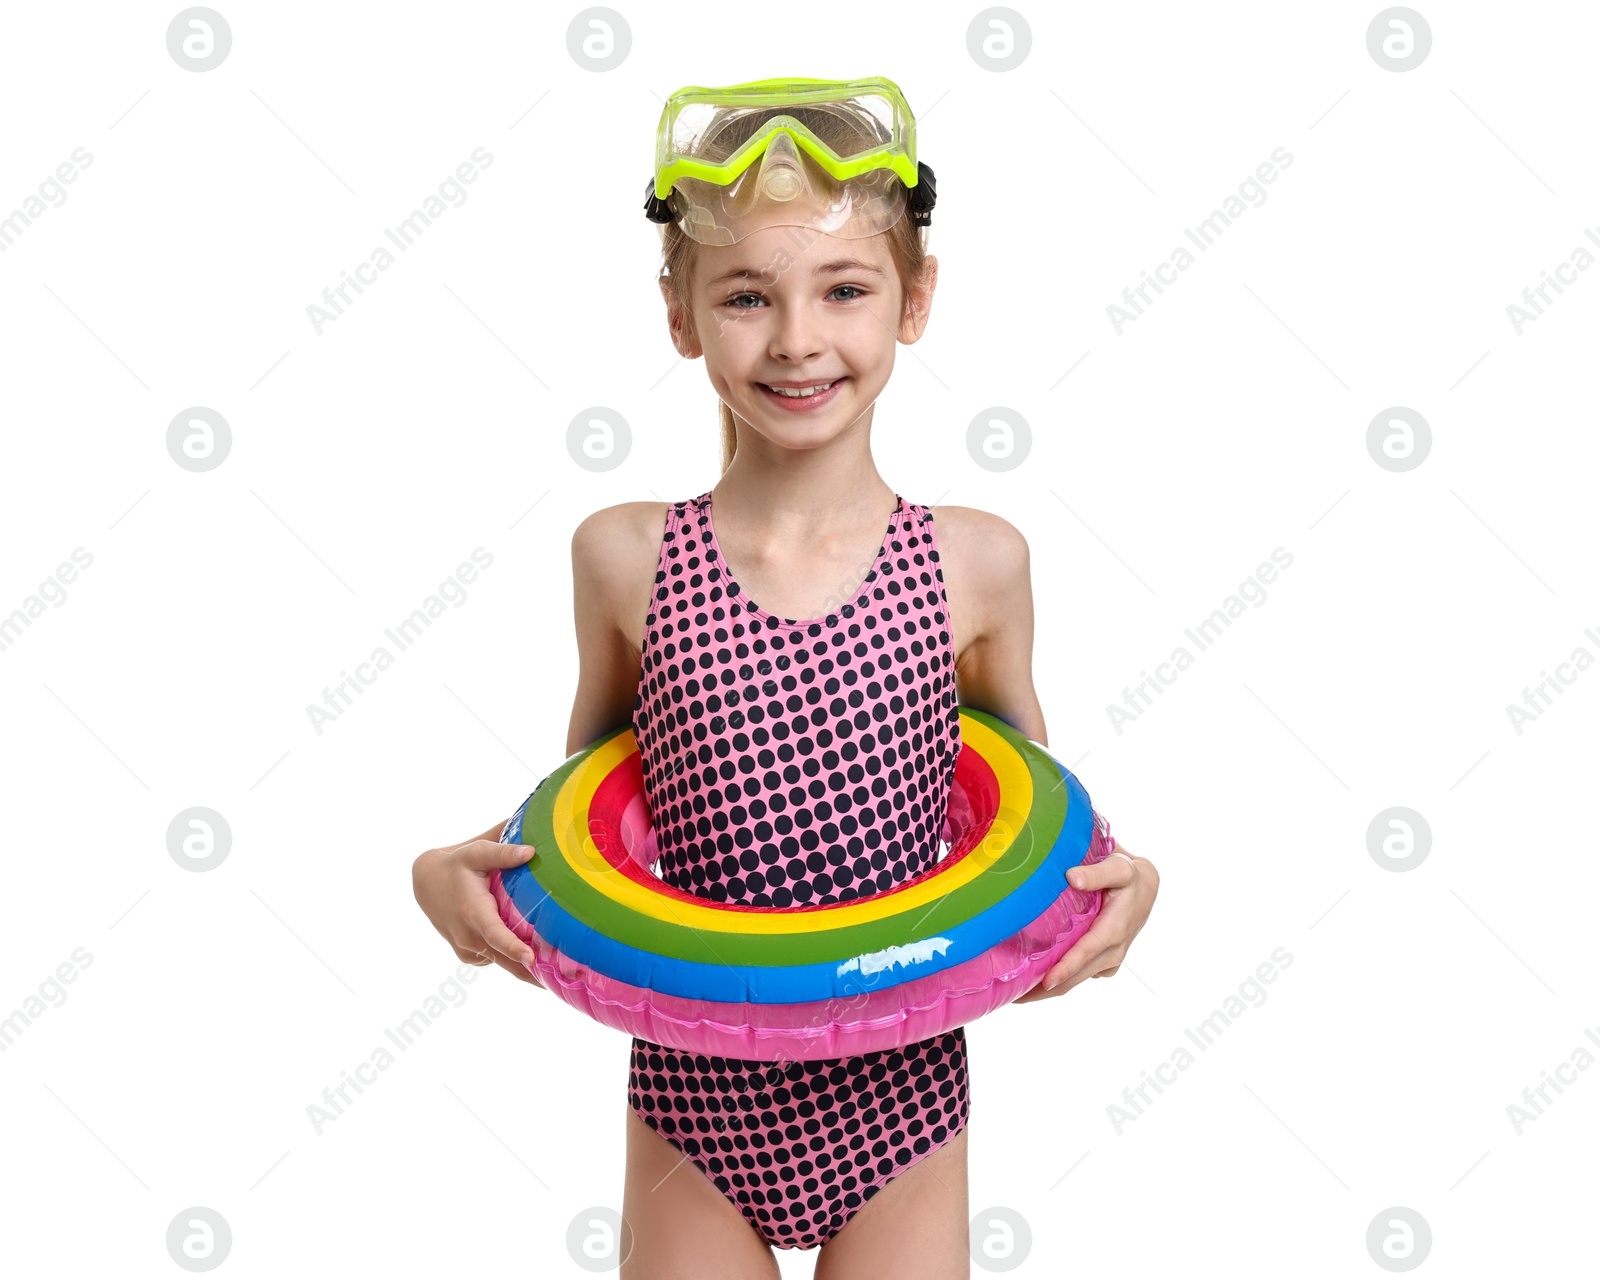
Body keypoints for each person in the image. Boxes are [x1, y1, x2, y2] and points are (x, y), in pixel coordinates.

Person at [412, 75, 1161, 1279]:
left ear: (915, 300)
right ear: (680, 313)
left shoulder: (976, 560)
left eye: (845, 289)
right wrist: (445, 868)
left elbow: (1033, 819)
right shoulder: (624, 555)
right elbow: (592, 808)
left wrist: (1131, 884)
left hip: (900, 1096)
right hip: (692, 1096)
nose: (798, 339)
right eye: (747, 296)